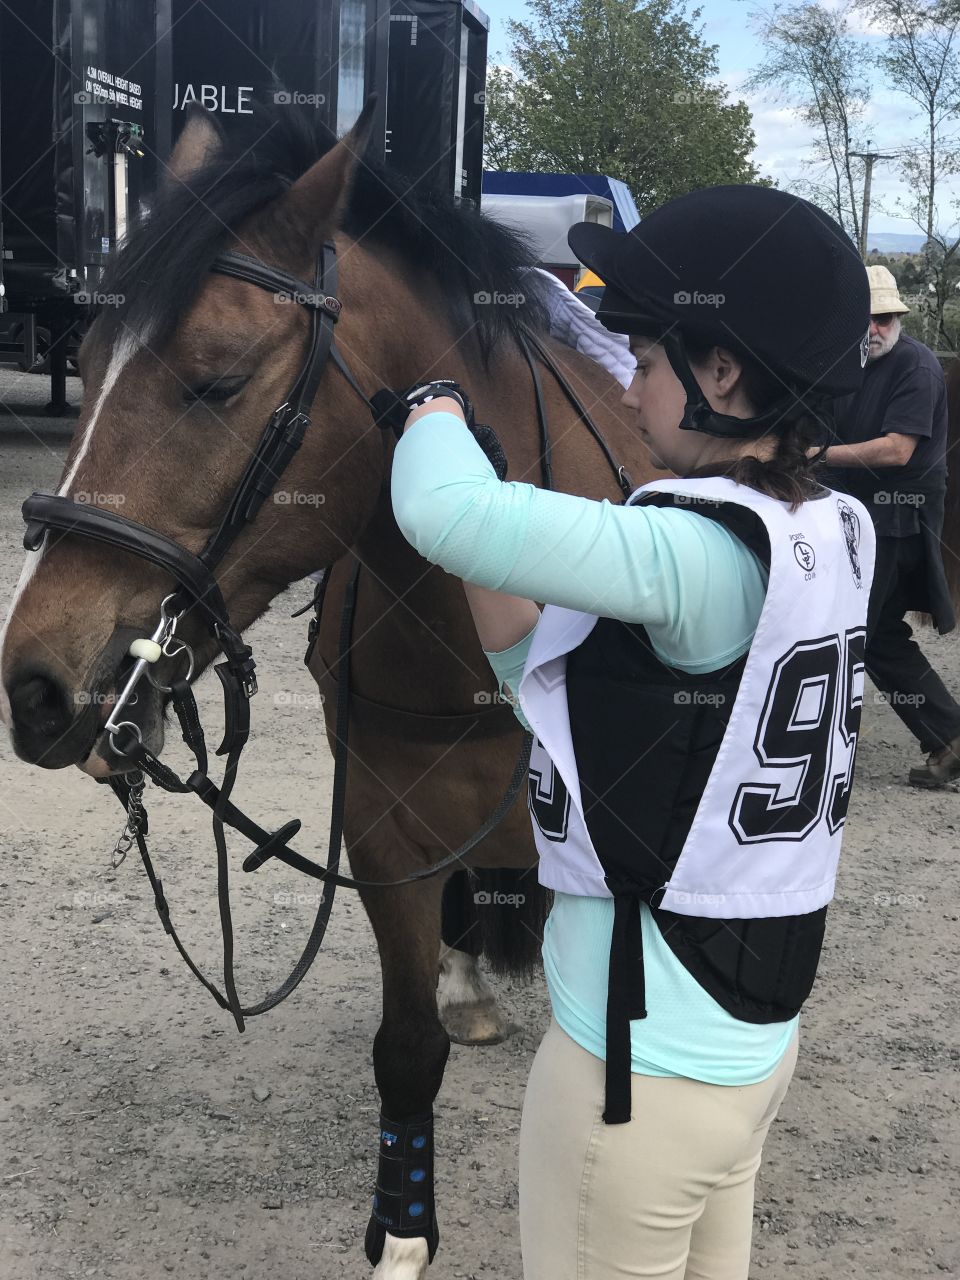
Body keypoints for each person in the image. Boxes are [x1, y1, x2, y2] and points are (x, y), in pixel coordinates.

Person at [389, 186, 874, 1280]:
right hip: (740, 1048)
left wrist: (432, 408)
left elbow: (442, 513)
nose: (630, 378)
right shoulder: (829, 528)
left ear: (723, 372)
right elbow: (562, 683)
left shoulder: (688, 549)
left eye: (650, 355)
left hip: (629, 1078)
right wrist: (498, 515)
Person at [816, 265, 960, 787]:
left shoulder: (916, 366)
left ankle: (826, 750)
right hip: (862, 514)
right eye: (865, 318)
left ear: (897, 318)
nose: (874, 328)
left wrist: (816, 455)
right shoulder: (848, 365)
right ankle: (948, 738)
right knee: (875, 635)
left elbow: (898, 450)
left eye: (882, 318)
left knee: (859, 632)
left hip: (900, 514)